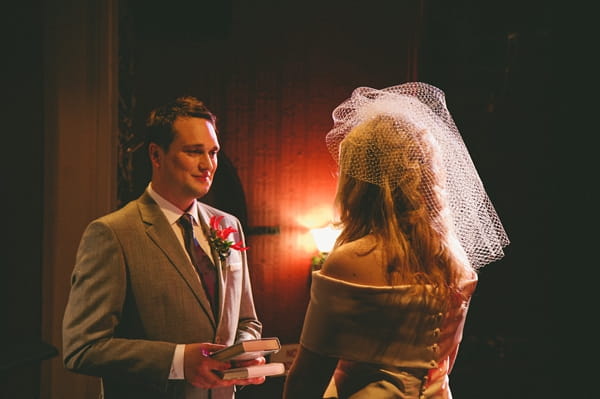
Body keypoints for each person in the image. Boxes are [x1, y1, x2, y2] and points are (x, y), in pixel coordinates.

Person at [283, 82, 509, 398]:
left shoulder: (351, 261)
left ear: (361, 183)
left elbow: (307, 378)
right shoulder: (455, 261)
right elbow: (444, 364)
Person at [62, 96, 265, 399]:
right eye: (194, 152)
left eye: (213, 152)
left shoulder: (228, 225)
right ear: (156, 155)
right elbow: (82, 348)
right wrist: (178, 361)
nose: (207, 165)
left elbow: (248, 320)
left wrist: (243, 351)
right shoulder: (113, 234)